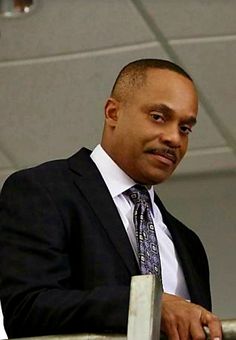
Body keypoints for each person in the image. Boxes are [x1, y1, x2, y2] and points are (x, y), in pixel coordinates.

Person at [0, 59, 222, 340]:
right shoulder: (43, 190)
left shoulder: (189, 243)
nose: (174, 138)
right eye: (158, 116)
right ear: (113, 113)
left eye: (185, 128)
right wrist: (147, 308)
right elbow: (26, 310)